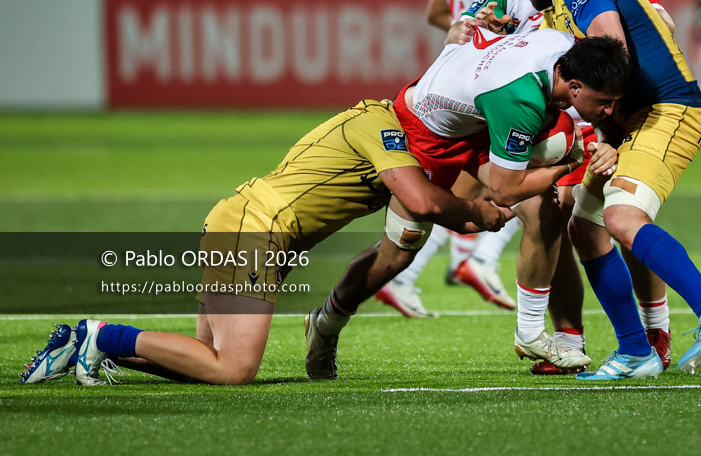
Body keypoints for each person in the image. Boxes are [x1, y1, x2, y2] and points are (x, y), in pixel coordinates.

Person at [20, 100, 510, 386]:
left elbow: (468, 196)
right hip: (255, 227)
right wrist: (475, 210)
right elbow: (424, 202)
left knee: (201, 359)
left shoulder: (407, 146)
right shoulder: (378, 122)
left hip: (251, 225)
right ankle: (99, 334)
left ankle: (83, 344)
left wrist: (549, 176)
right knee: (234, 369)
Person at [510, 0, 701, 379]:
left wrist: (607, 133)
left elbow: (614, 51)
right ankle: (637, 351)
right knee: (584, 225)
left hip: (665, 110)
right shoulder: (561, 0)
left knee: (622, 218)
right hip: (628, 121)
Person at [315, 30, 634, 374]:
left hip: (475, 119)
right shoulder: (520, 100)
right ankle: (325, 323)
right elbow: (504, 192)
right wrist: (571, 163)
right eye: (604, 102)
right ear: (573, 87)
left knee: (546, 208)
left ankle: (529, 331)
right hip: (427, 132)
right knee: (396, 255)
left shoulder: (564, 46)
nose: (609, 110)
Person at [453, 0, 676, 375]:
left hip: (599, 113)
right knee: (556, 214)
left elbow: (659, 24)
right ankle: (569, 337)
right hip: (548, 116)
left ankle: (654, 327)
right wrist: (484, 28)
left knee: (616, 215)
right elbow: (461, 32)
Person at [381, 0, 531, 314]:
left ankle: (433, 268)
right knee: (512, 179)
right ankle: (470, 261)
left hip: (452, 78)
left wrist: (463, 35)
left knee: (458, 186)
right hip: (488, 84)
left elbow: (434, 11)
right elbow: (506, 1)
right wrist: (492, 39)